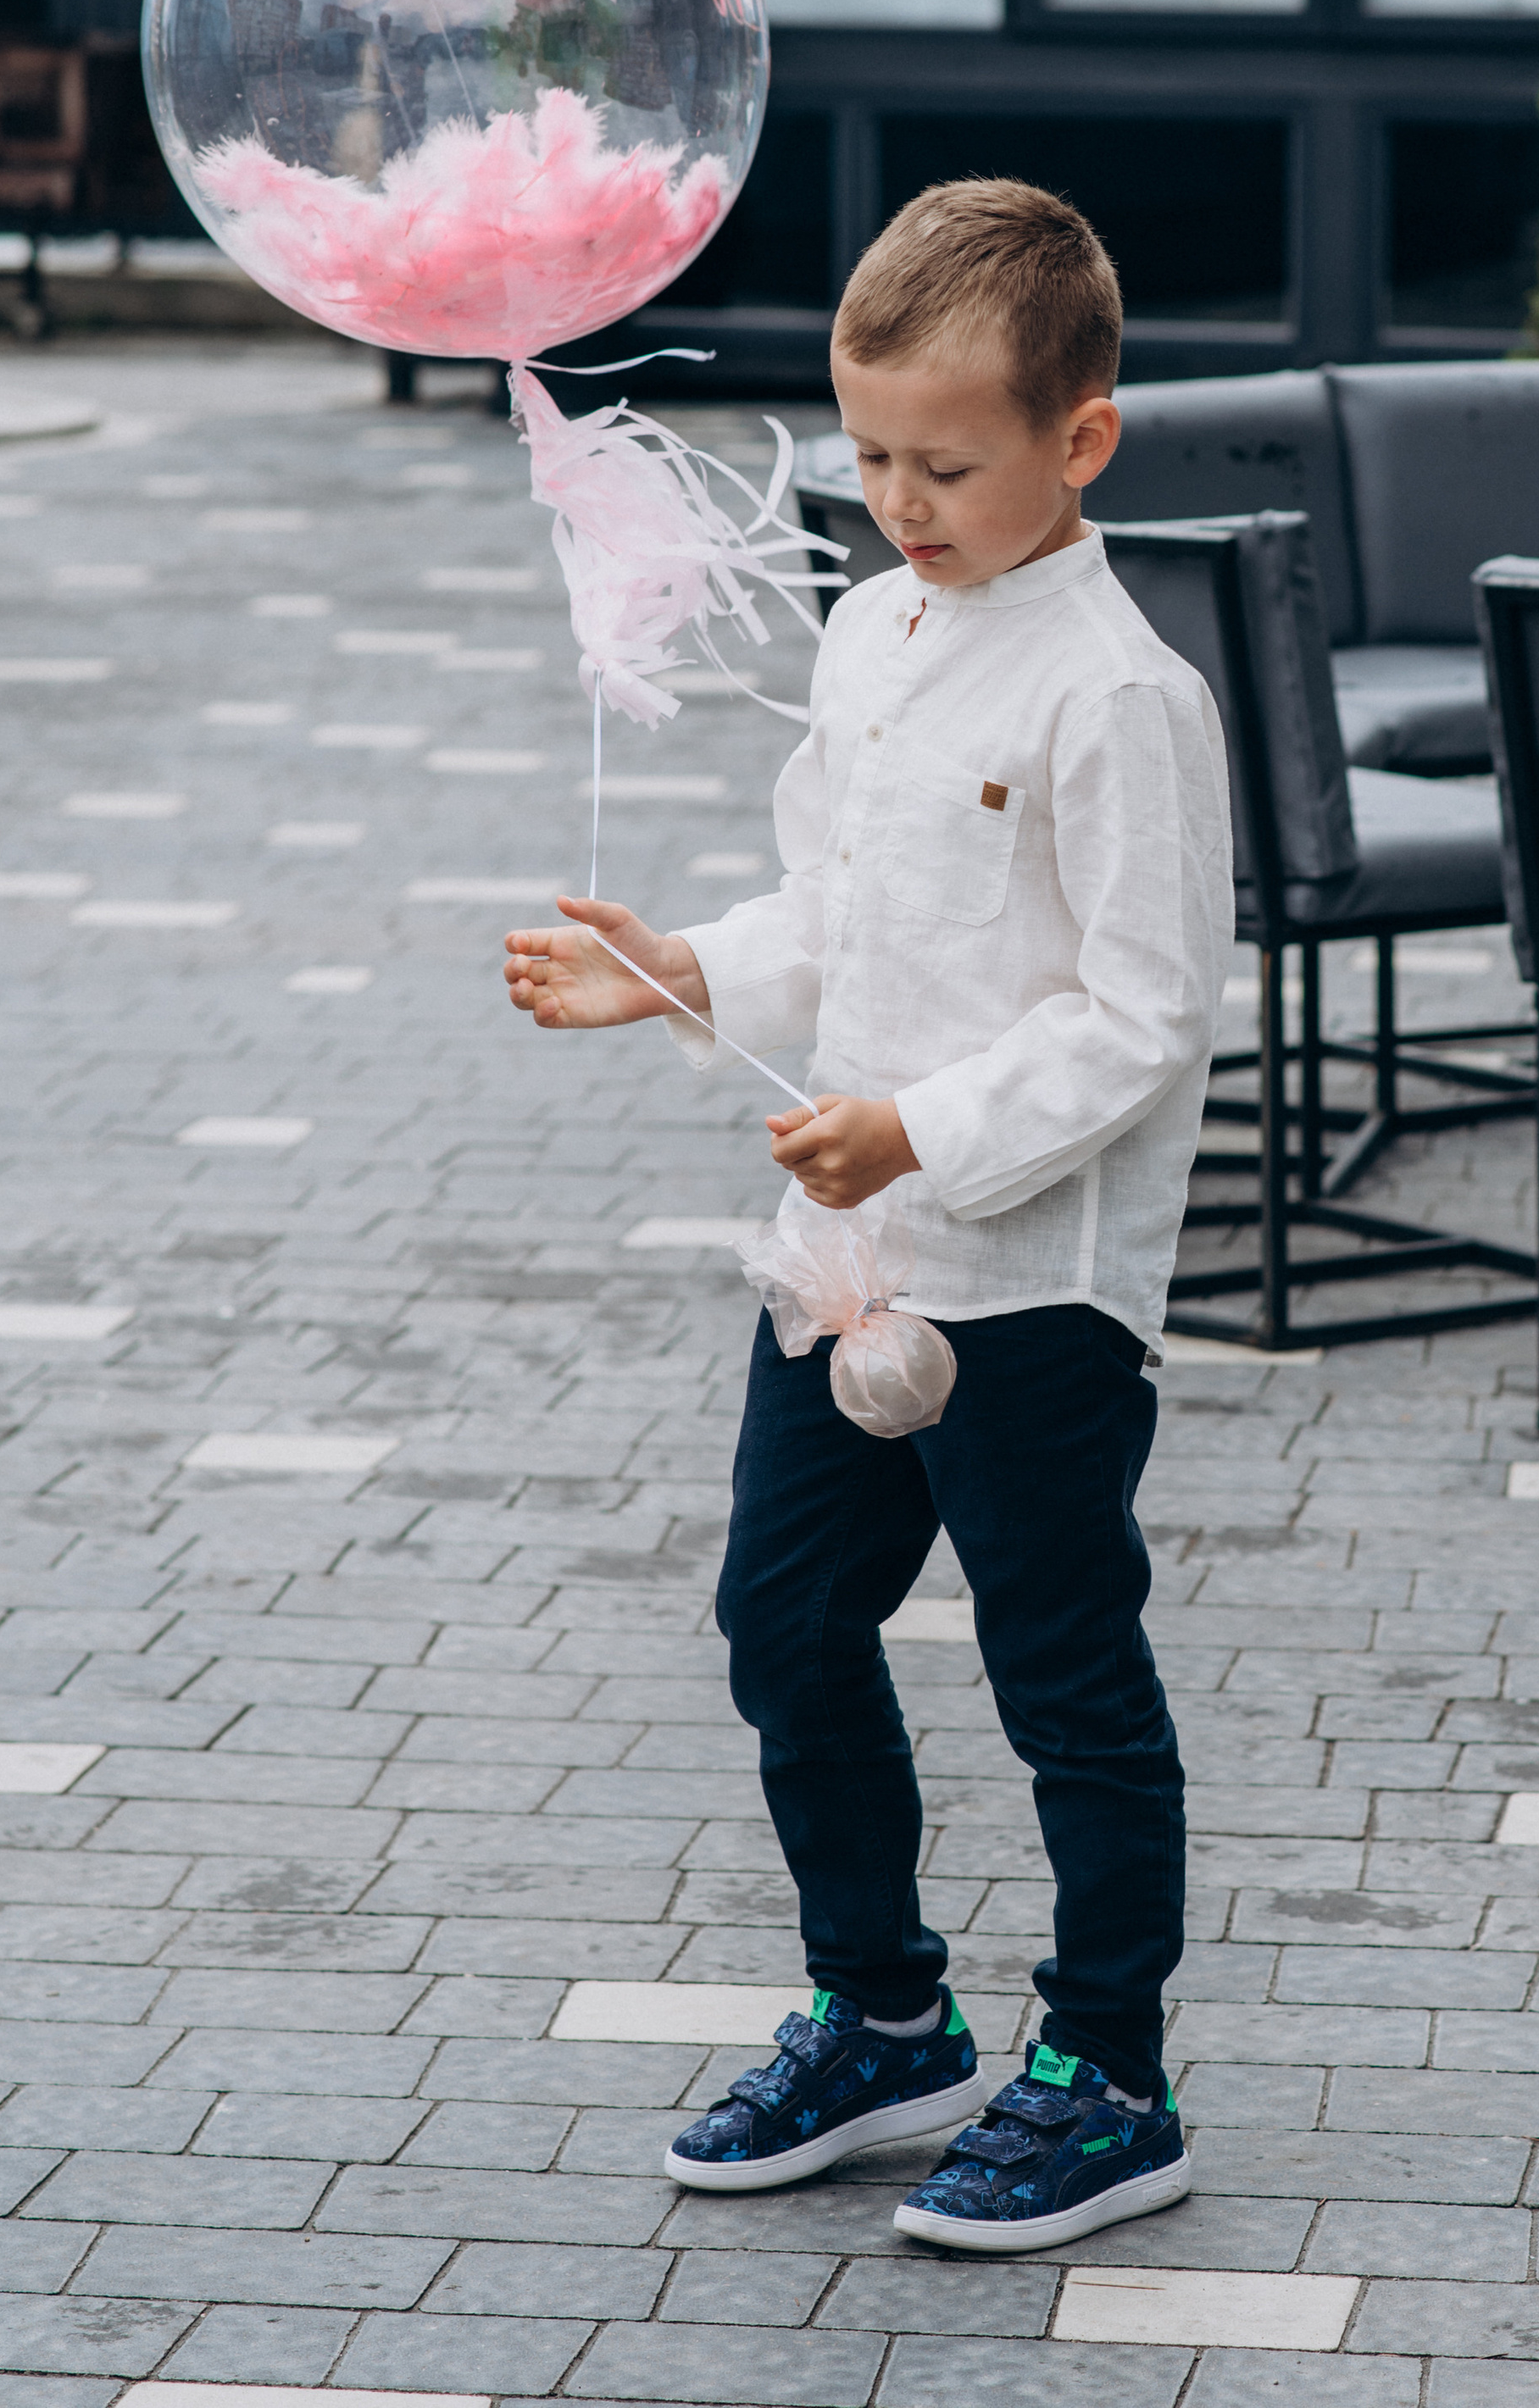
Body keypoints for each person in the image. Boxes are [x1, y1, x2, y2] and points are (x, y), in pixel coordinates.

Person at [503, 180, 1235, 2254]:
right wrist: (685, 974)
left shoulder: (1114, 695)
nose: (898, 499)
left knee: (1059, 1665)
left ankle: (1108, 2070)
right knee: (781, 1621)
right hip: (843, 1267)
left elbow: (1149, 1012)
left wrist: (920, 1127)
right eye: (871, 455)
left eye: (946, 461)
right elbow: (833, 904)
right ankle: (883, 2006)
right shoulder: (870, 626)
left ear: (1078, 438)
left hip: (1027, 1285)